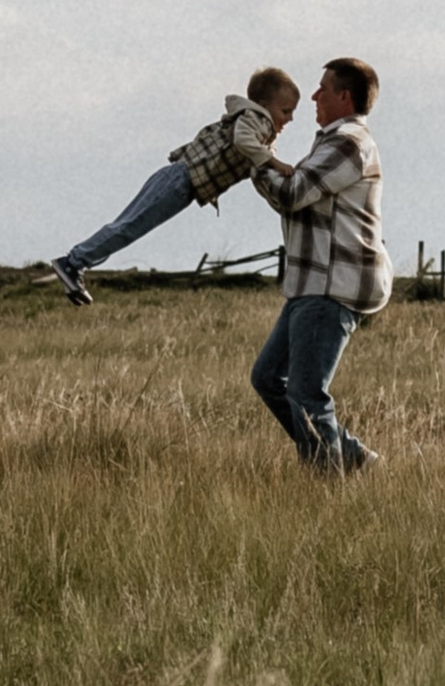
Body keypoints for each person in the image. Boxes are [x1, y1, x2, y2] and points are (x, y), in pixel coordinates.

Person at [248, 58, 391, 474]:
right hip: (311, 282)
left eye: (322, 89)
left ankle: (327, 484)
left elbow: (294, 192)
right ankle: (353, 459)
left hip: (332, 284)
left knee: (307, 393)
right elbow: (296, 192)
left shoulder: (349, 142)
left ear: (344, 97)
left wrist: (255, 159)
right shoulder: (332, 141)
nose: (313, 96)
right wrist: (264, 162)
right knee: (267, 378)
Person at [50, 69, 301, 303]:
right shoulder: (257, 119)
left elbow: (256, 161)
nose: (290, 118)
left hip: (179, 181)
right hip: (180, 180)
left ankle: (76, 264)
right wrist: (277, 164)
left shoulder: (258, 127)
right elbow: (244, 141)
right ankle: (74, 262)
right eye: (286, 111)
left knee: (130, 226)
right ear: (266, 106)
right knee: (129, 226)